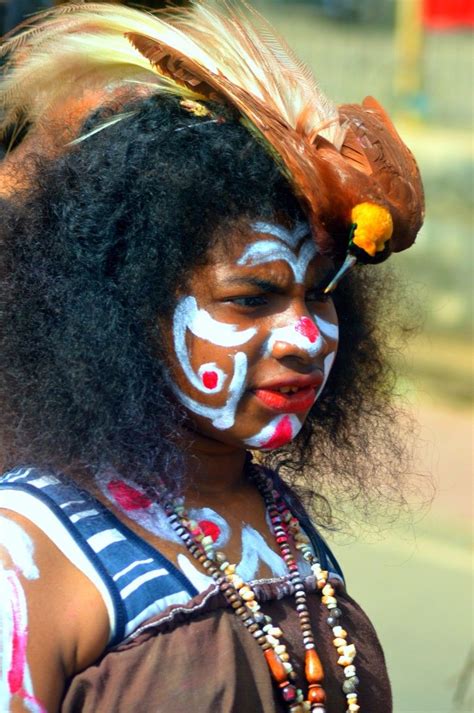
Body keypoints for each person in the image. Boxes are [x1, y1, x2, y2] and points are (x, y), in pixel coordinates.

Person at [0, 2, 424, 712]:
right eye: (250, 298)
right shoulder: (30, 544)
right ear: (126, 307)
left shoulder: (280, 522)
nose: (304, 337)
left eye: (321, 294)